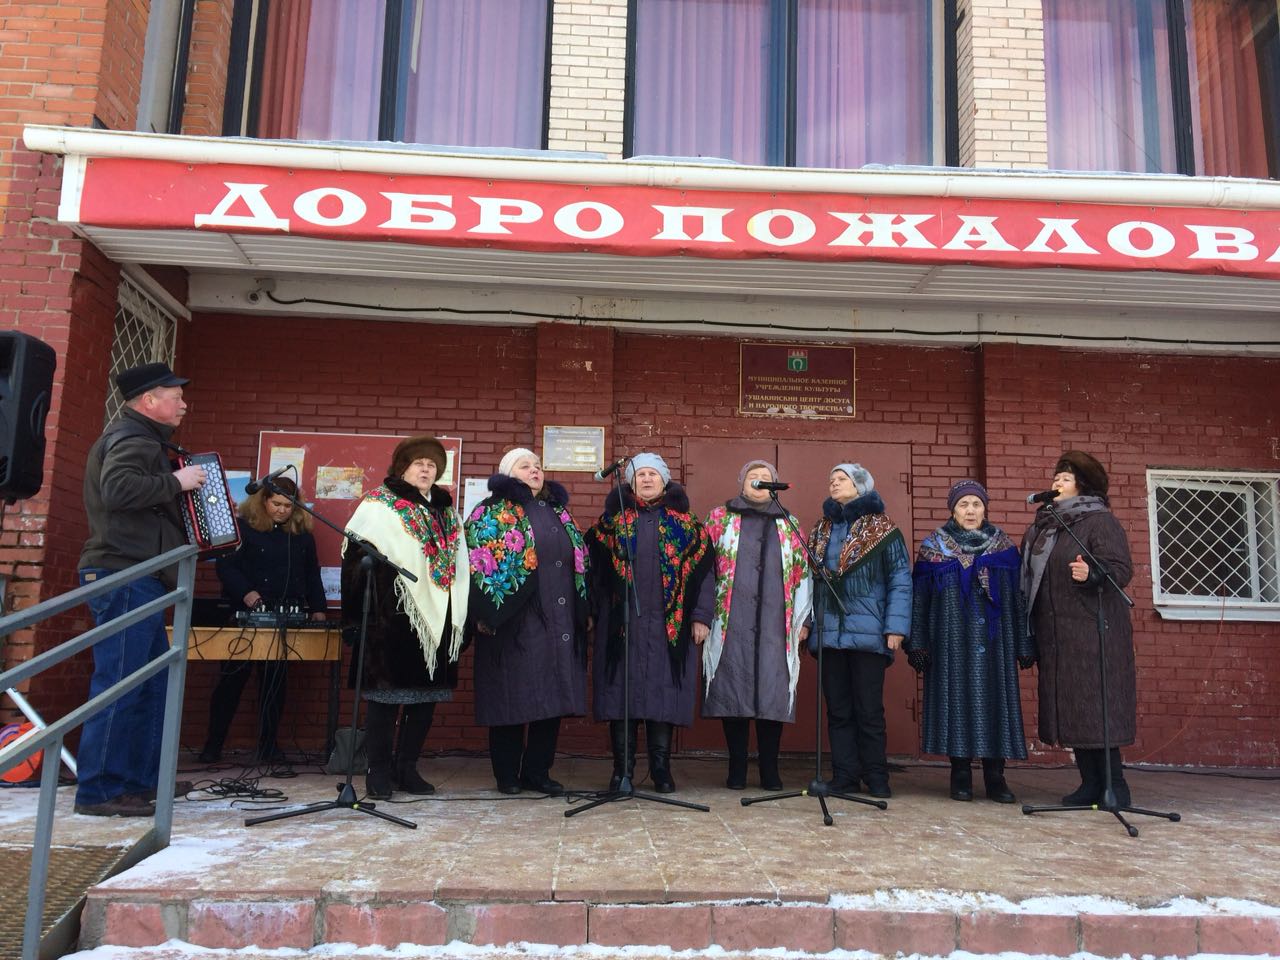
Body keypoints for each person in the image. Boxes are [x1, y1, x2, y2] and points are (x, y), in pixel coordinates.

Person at [76, 362, 206, 817]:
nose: (184, 404)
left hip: (139, 575)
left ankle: (139, 781)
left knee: (150, 684)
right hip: (125, 574)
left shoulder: (143, 438)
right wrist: (176, 482)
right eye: (176, 396)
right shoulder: (132, 438)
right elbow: (118, 489)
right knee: (122, 683)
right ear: (149, 400)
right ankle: (101, 791)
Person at [341, 435, 469, 800]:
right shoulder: (380, 505)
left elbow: (460, 564)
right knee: (386, 699)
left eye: (432, 465)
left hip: (438, 619)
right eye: (418, 464)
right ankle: (378, 771)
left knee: (425, 699)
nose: (426, 469)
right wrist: (355, 618)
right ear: (402, 468)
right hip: (392, 618)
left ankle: (406, 768)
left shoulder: (447, 512)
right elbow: (354, 560)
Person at [588, 452, 714, 793]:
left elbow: (705, 576)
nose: (646, 479)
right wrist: (592, 613)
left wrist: (701, 617)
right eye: (639, 475)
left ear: (664, 480)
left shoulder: (688, 526)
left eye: (652, 474)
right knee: (621, 696)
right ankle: (622, 771)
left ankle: (661, 769)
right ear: (631, 483)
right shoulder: (611, 523)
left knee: (663, 695)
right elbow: (593, 572)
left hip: (668, 627)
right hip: (621, 627)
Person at [465, 448, 589, 795]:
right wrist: (486, 613)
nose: (535, 470)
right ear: (508, 473)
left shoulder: (558, 511)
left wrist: (582, 609)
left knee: (552, 697)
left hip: (558, 619)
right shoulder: (490, 512)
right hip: (514, 620)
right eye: (525, 466)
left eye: (538, 466)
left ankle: (538, 772)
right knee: (511, 695)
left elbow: (579, 560)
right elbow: (476, 562)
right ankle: (507, 774)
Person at [907, 479, 1035, 803]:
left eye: (976, 504)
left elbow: (1019, 599)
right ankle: (960, 773)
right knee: (956, 703)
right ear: (952, 510)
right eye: (963, 504)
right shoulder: (934, 547)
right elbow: (919, 599)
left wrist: (1024, 643)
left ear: (985, 509)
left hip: (995, 645)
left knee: (996, 703)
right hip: (950, 642)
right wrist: (918, 643)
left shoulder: (1004, 548)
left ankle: (996, 776)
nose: (970, 510)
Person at [1022, 450, 1136, 808]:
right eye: (1056, 477)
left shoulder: (1099, 522)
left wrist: (1093, 573)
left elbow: (1121, 568)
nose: (1056, 482)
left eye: (1065, 478)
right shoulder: (1045, 527)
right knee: (1074, 709)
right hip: (1059, 635)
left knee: (1097, 706)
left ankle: (1115, 786)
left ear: (1083, 486)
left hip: (1095, 632)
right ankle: (1089, 785)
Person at [198, 477, 328, 764]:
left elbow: (311, 573)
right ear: (264, 501)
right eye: (276, 504)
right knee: (231, 682)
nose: (282, 510)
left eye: (288, 506)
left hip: (283, 619)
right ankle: (213, 745)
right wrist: (248, 594)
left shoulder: (302, 536)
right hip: (246, 615)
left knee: (274, 685)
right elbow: (226, 567)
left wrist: (319, 608)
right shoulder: (244, 528)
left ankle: (269, 746)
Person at [703, 459, 812, 790]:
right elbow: (704, 570)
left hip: (775, 623)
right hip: (731, 620)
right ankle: (736, 768)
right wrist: (701, 615)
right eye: (754, 476)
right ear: (742, 482)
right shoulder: (719, 518)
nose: (760, 481)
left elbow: (803, 576)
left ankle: (769, 769)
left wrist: (804, 620)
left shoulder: (789, 524)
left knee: (772, 694)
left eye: (767, 477)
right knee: (732, 691)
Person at [807, 462, 911, 799]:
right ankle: (845, 776)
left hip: (868, 634)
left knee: (868, 711)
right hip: (829, 634)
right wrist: (807, 624)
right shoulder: (821, 529)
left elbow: (900, 579)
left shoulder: (883, 529)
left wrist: (895, 627)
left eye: (842, 478)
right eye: (832, 479)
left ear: (861, 485)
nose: (834, 483)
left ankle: (877, 777)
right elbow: (807, 582)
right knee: (838, 711)